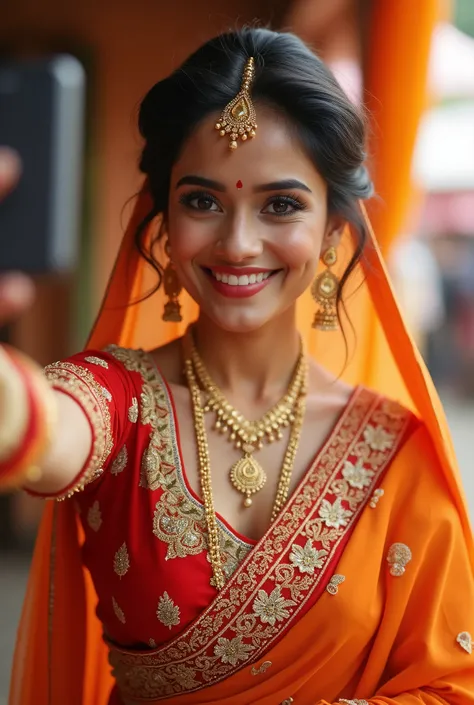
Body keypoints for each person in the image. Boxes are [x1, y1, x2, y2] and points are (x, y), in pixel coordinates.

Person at [2, 28, 473, 705]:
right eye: (202, 201)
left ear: (335, 233)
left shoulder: (395, 454)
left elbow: (454, 685)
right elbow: (44, 426)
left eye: (280, 204)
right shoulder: (115, 397)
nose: (239, 241)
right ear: (163, 224)